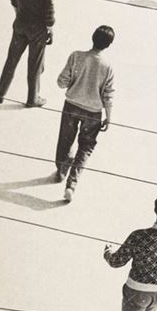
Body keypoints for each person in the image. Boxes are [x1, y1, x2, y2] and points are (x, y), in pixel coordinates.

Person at [0, 0, 61, 108]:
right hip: (37, 30)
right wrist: (50, 29)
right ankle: (32, 98)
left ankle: (1, 93)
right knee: (34, 65)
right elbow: (49, 15)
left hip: (20, 24)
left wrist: (19, 15)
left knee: (11, 59)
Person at [55, 26, 116, 202]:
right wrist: (109, 117)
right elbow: (108, 95)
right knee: (85, 147)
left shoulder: (76, 56)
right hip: (93, 112)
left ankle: (61, 170)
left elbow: (61, 82)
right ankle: (71, 185)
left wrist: (74, 83)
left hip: (71, 105)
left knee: (65, 140)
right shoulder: (107, 67)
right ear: (109, 45)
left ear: (92, 37)